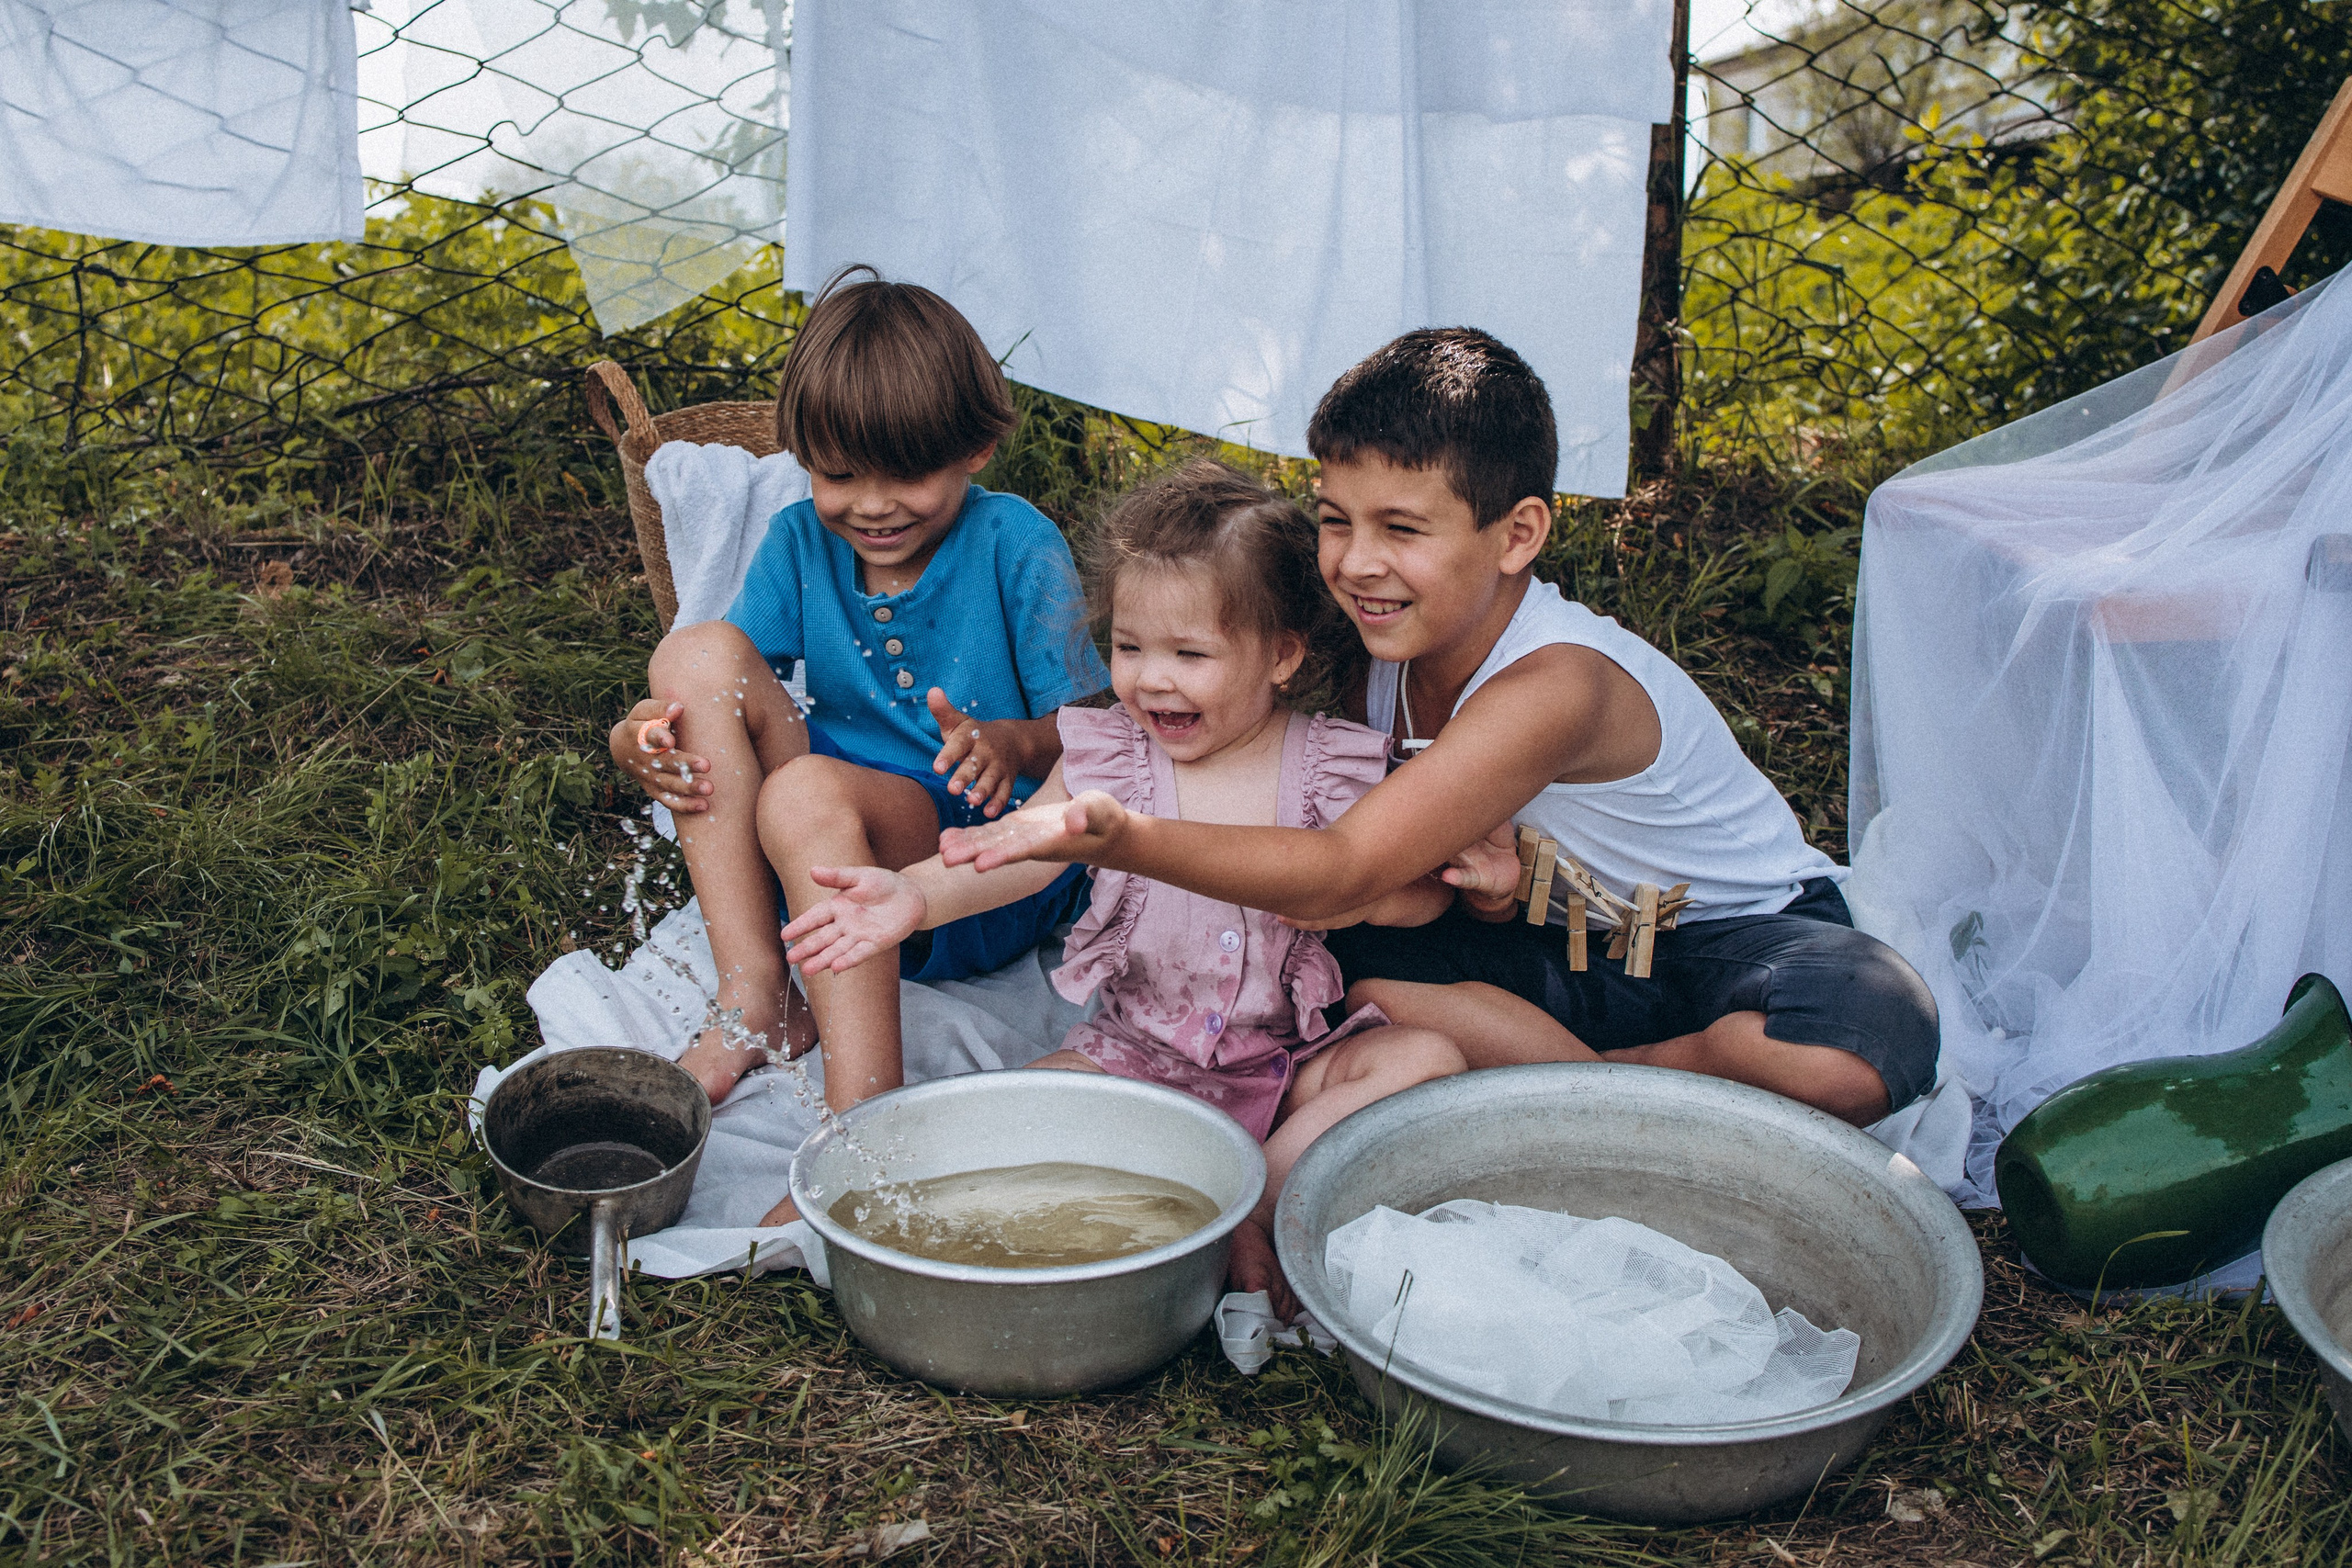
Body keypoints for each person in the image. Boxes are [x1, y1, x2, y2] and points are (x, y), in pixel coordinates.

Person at [937, 329, 1940, 1130]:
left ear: (1518, 535)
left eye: (1402, 529)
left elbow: (1340, 868)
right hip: (1546, 945)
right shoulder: (1369, 630)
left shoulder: (1557, 684)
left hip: (1723, 941)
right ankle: (1608, 1095)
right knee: (1350, 975)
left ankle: (1592, 1096)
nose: (1357, 562)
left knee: (1853, 1047)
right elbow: (1198, 690)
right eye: (1336, 518)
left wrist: (1120, 837)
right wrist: (1031, 749)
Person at [780, 459, 1467, 1307]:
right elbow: (1021, 848)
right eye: (1131, 647)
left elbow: (1410, 889)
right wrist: (913, 895)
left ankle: (1254, 1198)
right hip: (1136, 1062)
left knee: (1425, 1059)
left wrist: (1397, 889)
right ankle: (1227, 1202)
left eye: (1190, 652)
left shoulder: (1327, 764)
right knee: (1011, 1117)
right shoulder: (1114, 756)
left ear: (1283, 654)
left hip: (1290, 1065)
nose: (1151, 678)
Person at [609, 265, 1108, 1111]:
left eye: (905, 476)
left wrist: (1013, 743)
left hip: (974, 863)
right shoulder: (800, 538)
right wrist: (639, 738)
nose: (872, 507)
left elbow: (1099, 732)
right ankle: (756, 992)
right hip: (831, 826)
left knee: (804, 790)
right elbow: (725, 684)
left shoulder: (1016, 543)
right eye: (839, 475)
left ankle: (862, 1122)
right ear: (803, 460)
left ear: (974, 450)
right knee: (692, 656)